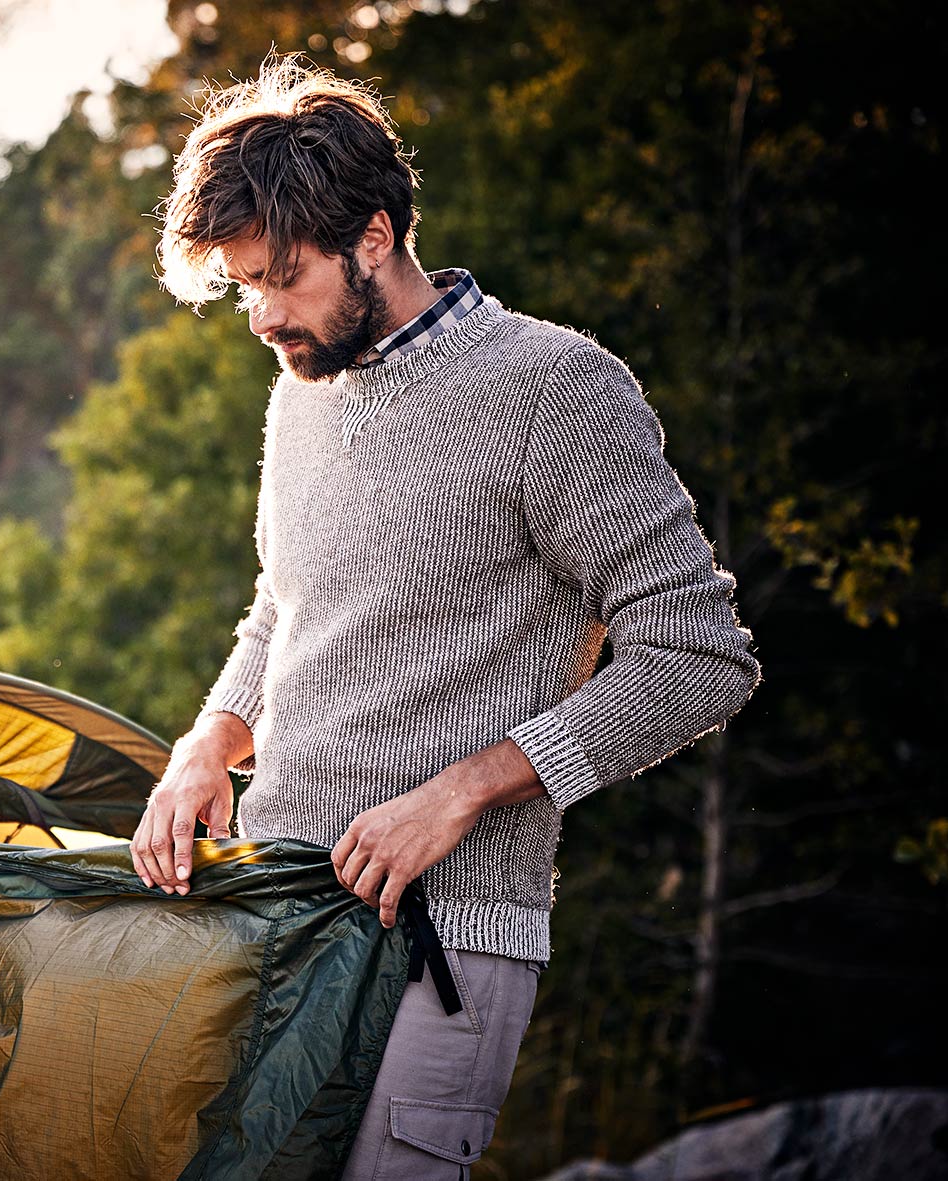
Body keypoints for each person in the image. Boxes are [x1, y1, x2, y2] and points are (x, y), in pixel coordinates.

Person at [127, 56, 760, 1179]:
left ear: (372, 236)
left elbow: (697, 659)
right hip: (274, 911)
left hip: (448, 939)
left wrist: (459, 790)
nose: (262, 315)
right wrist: (204, 744)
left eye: (281, 276)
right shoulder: (299, 388)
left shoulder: (553, 388)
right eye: (241, 287)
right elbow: (287, 604)